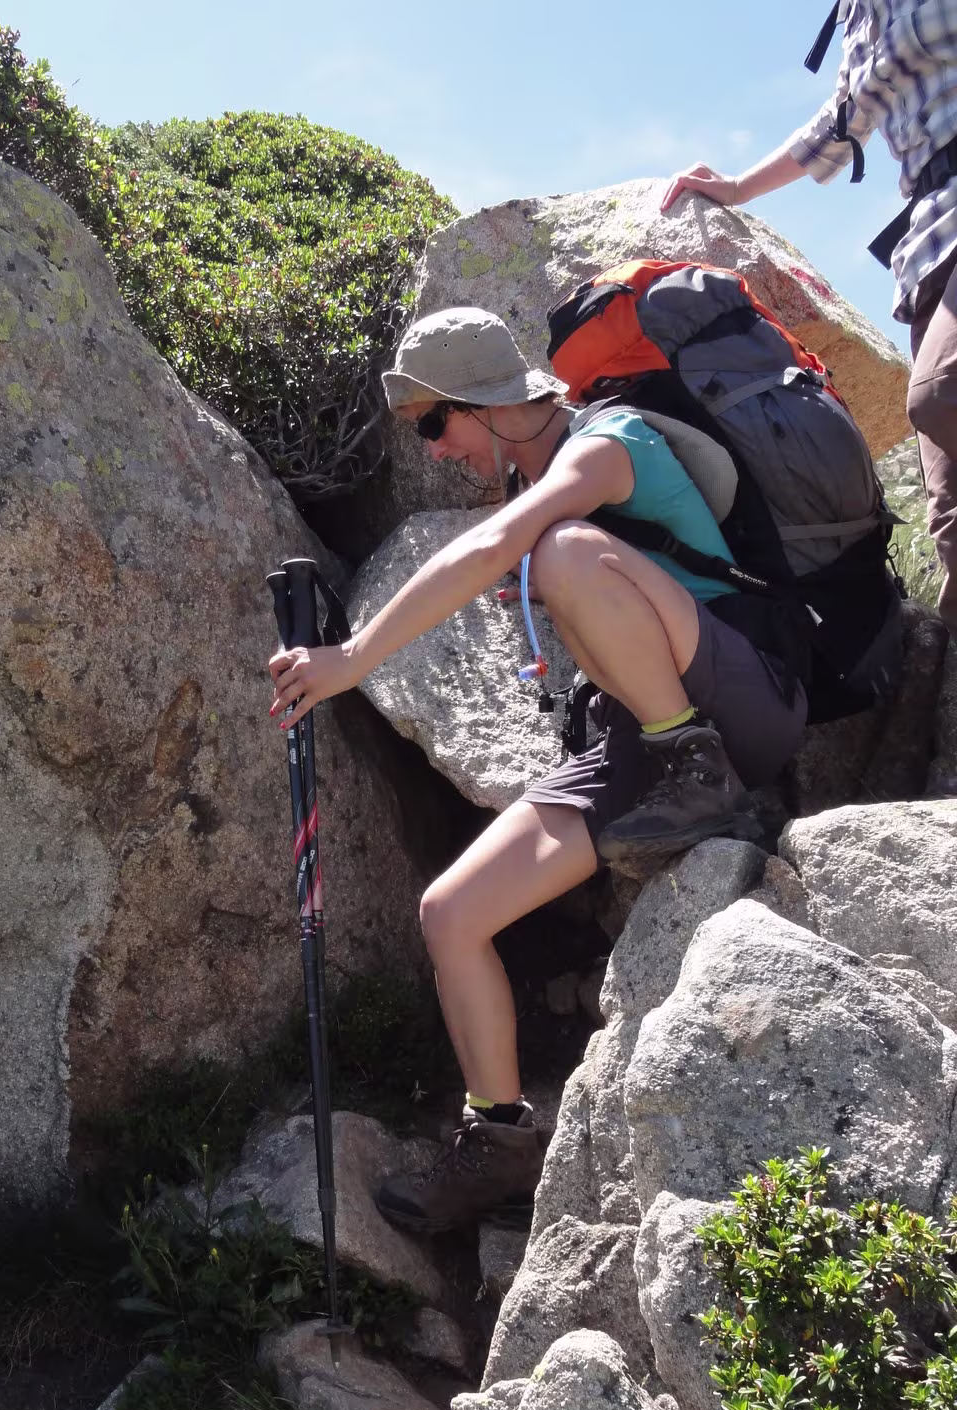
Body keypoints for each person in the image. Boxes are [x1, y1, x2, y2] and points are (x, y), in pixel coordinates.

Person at [267, 307, 808, 1233]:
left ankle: (699, 775)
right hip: (639, 742)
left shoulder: (608, 446)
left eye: (437, 422)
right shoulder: (543, 479)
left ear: (487, 401)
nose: (436, 450)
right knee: (451, 913)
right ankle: (502, 1142)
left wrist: (351, 659)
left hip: (741, 699)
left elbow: (492, 549)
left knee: (555, 548)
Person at [662, 0, 957, 629]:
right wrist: (736, 187)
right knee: (949, 505)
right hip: (928, 244)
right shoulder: (857, 21)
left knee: (942, 394)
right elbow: (839, 123)